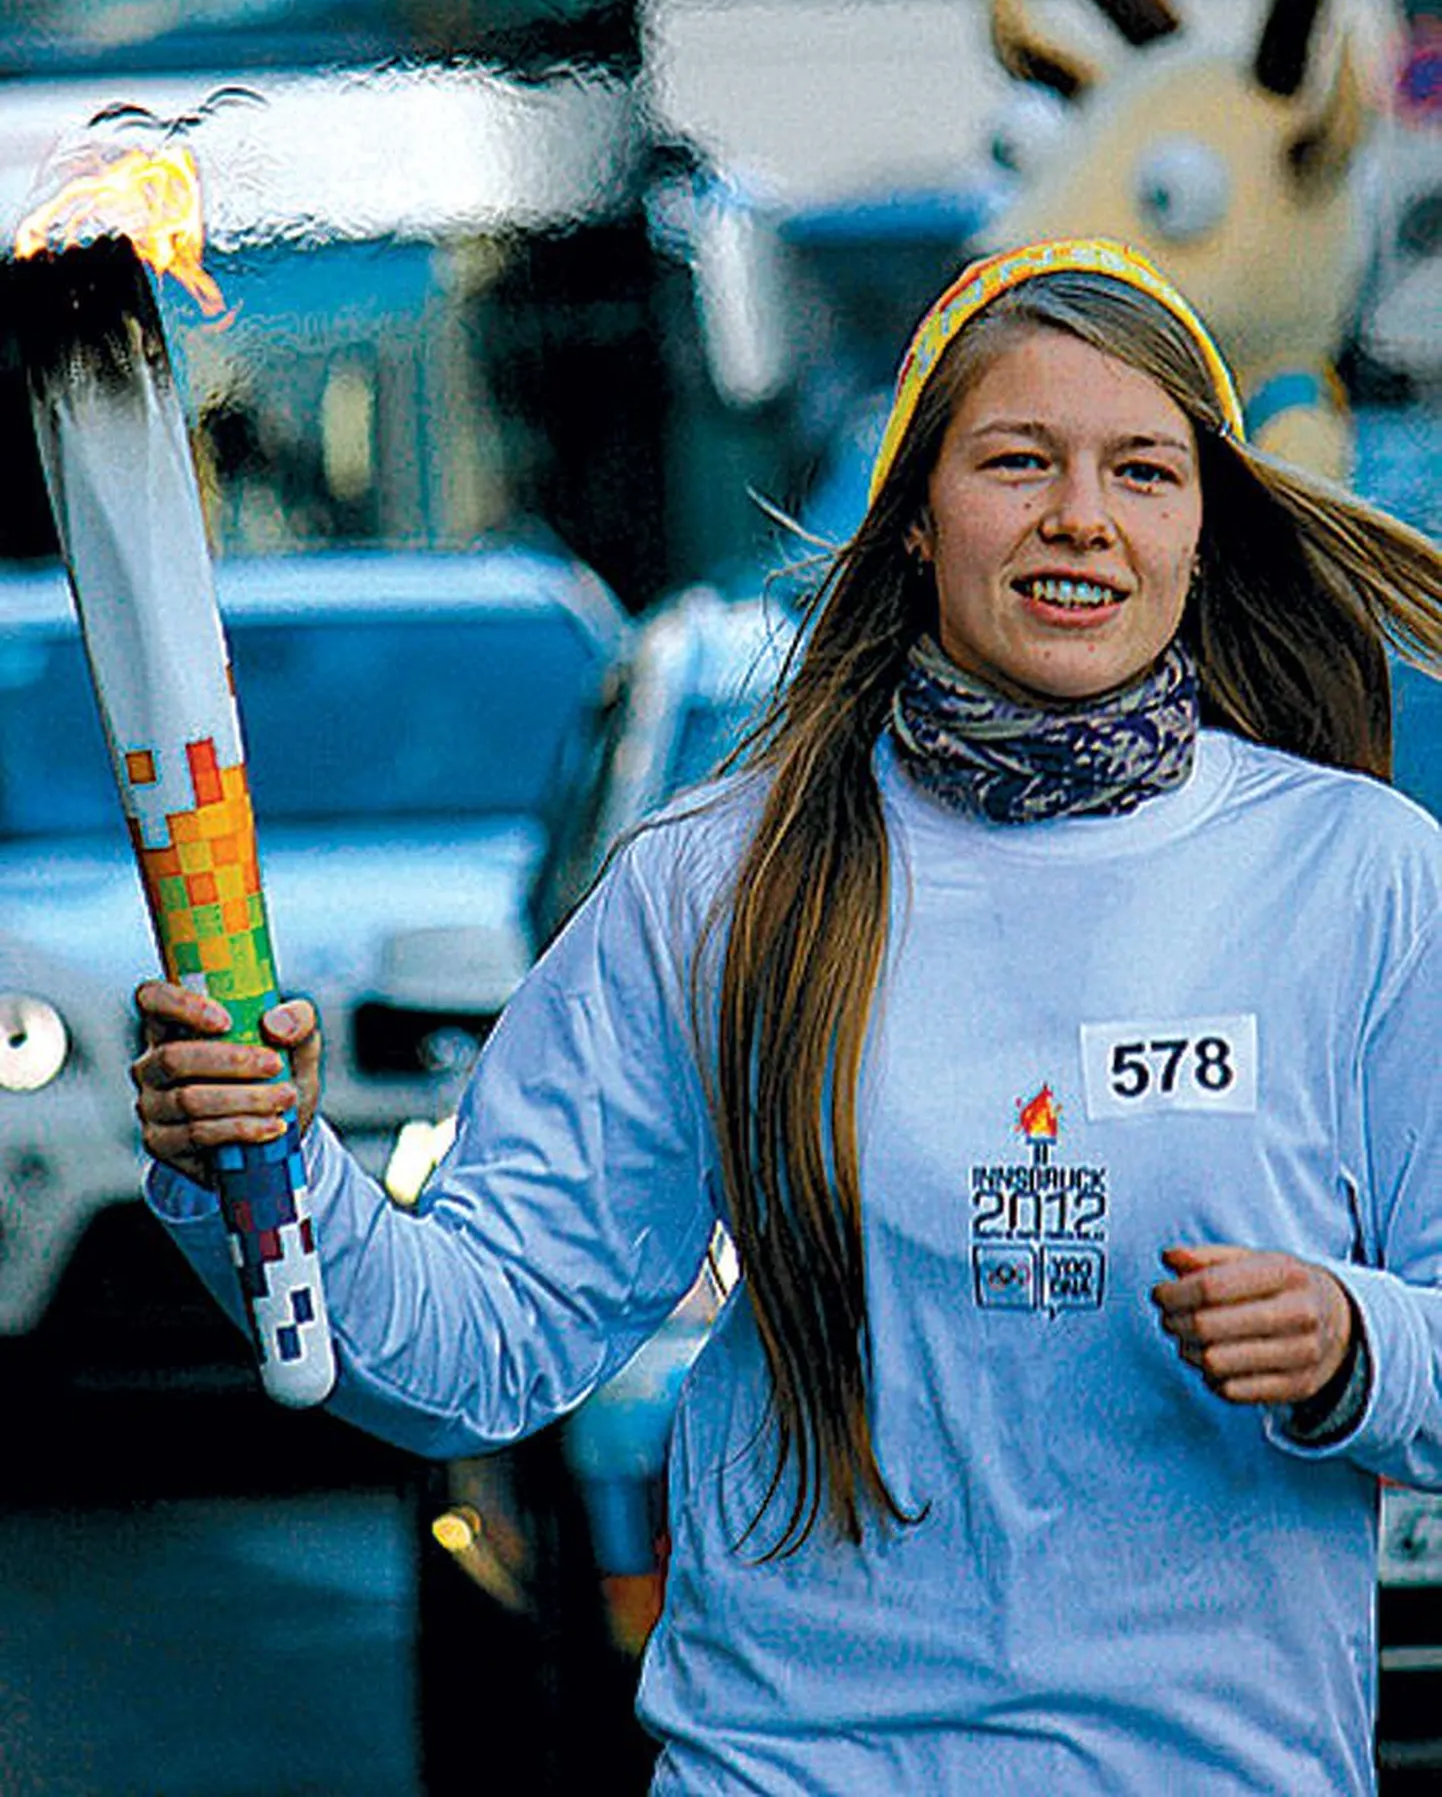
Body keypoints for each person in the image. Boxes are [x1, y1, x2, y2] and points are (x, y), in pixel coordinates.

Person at [134, 237, 1442, 1795]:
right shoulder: (721, 884)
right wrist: (269, 1170)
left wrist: (1355, 1340)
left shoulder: (1356, 873)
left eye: (1142, 472)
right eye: (1015, 461)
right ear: (911, 523)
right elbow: (480, 1344)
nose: (1079, 516)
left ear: (1201, 532)